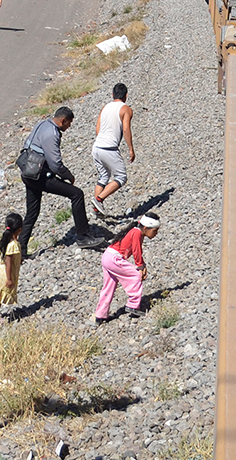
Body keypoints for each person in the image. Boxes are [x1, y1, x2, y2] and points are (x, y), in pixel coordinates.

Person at [17, 106, 103, 256]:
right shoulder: (52, 134)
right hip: (39, 174)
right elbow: (56, 163)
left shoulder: (42, 124)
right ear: (62, 120)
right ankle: (84, 237)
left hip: (27, 171)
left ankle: (20, 251)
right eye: (69, 124)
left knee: (32, 211)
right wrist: (68, 176)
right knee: (76, 194)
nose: (69, 127)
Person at [91, 213, 161, 323]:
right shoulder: (137, 233)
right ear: (146, 228)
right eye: (155, 230)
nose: (156, 233)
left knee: (109, 286)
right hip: (114, 258)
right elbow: (136, 250)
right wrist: (141, 266)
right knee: (136, 275)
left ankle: (101, 315)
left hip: (107, 256)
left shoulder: (134, 230)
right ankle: (133, 305)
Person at [90, 82, 136, 219]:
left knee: (104, 176)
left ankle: (95, 211)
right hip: (109, 148)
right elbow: (126, 129)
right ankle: (98, 200)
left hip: (97, 147)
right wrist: (131, 149)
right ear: (126, 95)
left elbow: (97, 128)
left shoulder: (105, 107)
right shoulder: (125, 109)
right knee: (121, 177)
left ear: (112, 95)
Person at [0, 212, 24, 326]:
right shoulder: (13, 245)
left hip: (1, 271)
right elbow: (8, 261)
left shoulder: (7, 241)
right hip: (6, 273)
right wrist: (9, 278)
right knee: (0, 294)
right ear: (19, 229)